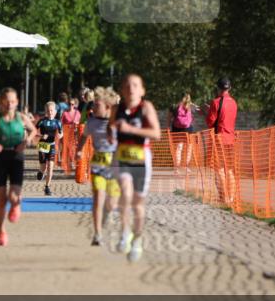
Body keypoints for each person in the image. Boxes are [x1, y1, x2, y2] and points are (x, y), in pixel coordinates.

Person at [109, 73, 161, 263]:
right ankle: (125, 233)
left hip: (141, 157)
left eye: (135, 85)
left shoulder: (146, 108)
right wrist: (111, 135)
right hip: (122, 156)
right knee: (125, 193)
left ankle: (137, 240)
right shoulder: (116, 108)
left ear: (142, 90)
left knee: (138, 203)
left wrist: (131, 130)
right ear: (122, 90)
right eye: (128, 85)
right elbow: (111, 126)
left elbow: (156, 133)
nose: (131, 88)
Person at [0, 88, 36, 246]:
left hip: (16, 158)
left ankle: (16, 204)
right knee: (1, 199)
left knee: (13, 197)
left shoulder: (22, 118)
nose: (9, 104)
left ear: (17, 102)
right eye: (6, 101)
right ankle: (1, 232)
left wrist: (26, 142)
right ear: (1, 103)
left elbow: (33, 131)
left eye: (12, 101)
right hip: (0, 159)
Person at [76, 86, 120, 246]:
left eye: (96, 105)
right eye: (93, 105)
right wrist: (80, 150)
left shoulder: (118, 122)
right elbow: (84, 137)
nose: (92, 108)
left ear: (108, 107)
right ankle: (97, 234)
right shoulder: (92, 122)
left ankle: (106, 219)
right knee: (98, 199)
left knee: (112, 203)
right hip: (98, 163)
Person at [204, 78, 238, 205]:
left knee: (219, 169)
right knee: (229, 169)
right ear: (229, 88)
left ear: (218, 88)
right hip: (231, 139)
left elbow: (210, 122)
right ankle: (231, 198)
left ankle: (224, 197)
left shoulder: (215, 102)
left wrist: (207, 112)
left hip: (219, 139)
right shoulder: (234, 102)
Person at [35, 101, 62, 196]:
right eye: (48, 110)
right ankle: (41, 172)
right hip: (43, 145)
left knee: (50, 167)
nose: (50, 112)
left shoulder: (58, 122)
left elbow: (61, 133)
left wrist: (60, 136)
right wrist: (41, 135)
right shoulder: (42, 121)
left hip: (52, 145)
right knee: (44, 167)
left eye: (52, 110)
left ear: (55, 111)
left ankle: (47, 187)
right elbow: (34, 131)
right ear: (45, 111)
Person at [169, 93, 197, 169]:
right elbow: (198, 111)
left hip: (176, 128)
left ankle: (176, 168)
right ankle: (186, 167)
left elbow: (169, 117)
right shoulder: (191, 106)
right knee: (189, 148)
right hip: (188, 129)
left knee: (178, 148)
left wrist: (168, 127)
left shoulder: (174, 106)